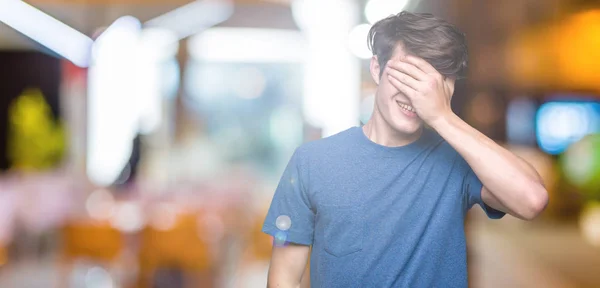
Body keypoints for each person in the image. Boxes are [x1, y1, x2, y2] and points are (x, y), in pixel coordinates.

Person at [262, 11, 548, 288]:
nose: (418, 94)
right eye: (408, 75)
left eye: (434, 82)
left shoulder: (458, 160)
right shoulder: (311, 162)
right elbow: (284, 278)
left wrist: (442, 117)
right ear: (377, 68)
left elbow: (532, 199)